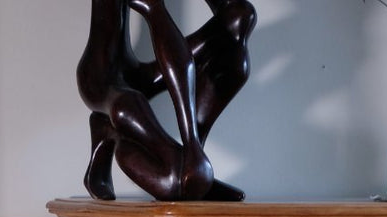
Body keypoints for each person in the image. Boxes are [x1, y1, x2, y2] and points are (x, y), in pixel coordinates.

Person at [76, 0, 256, 202]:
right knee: (126, 107)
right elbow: (158, 19)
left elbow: (228, 9)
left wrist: (193, 145)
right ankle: (190, 163)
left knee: (240, 16)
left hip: (137, 74)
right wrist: (190, 141)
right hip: (100, 77)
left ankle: (193, 164)